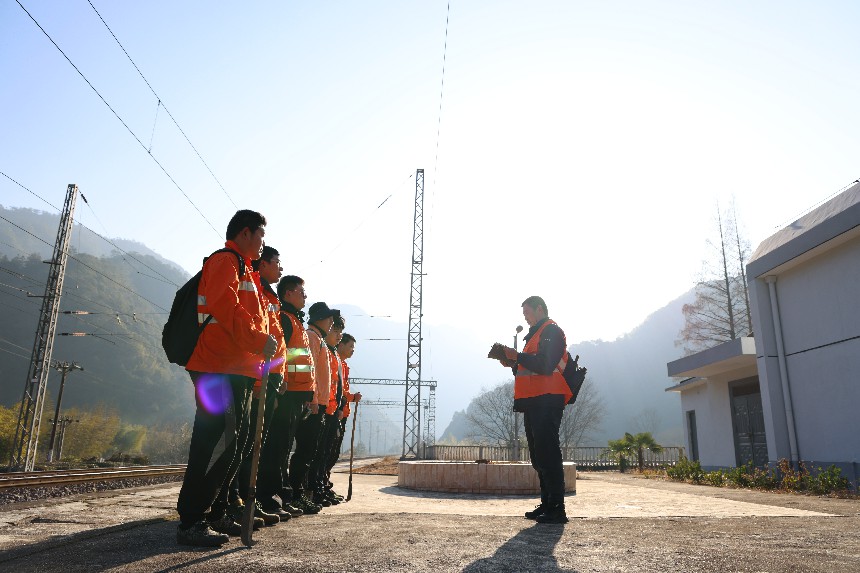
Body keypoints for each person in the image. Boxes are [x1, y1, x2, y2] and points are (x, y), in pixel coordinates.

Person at [176, 209, 277, 547]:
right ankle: (192, 519)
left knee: (234, 443)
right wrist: (257, 341)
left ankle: (215, 510)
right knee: (216, 442)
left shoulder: (245, 268)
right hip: (218, 367)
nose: (263, 244)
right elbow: (227, 308)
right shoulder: (225, 261)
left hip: (237, 369)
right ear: (246, 233)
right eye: (261, 235)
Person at [494, 295, 572, 524]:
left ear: (539, 309)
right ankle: (547, 503)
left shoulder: (552, 331)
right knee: (539, 456)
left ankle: (557, 507)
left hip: (548, 399)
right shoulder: (535, 335)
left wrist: (518, 356)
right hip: (534, 400)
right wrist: (513, 363)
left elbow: (546, 365)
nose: (526, 318)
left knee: (548, 452)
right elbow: (530, 367)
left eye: (527, 313)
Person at [256, 274, 314, 518]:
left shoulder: (295, 321)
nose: (305, 296)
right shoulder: (285, 319)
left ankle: (279, 496)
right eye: (302, 291)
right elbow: (283, 357)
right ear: (288, 293)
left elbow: (300, 361)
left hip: (297, 393)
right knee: (276, 448)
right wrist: (282, 387)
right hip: (287, 393)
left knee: (282, 450)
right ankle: (269, 498)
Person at [287, 301, 336, 513]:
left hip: (321, 403)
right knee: (305, 452)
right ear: (319, 319)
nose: (331, 323)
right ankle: (297, 493)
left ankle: (301, 493)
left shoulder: (319, 340)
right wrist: (313, 400)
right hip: (313, 403)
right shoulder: (312, 338)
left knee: (311, 452)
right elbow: (309, 371)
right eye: (329, 319)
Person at [327, 332, 361, 498]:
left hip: (342, 411)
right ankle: (320, 485)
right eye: (350, 346)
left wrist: (351, 398)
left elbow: (342, 391)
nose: (352, 350)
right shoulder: (335, 361)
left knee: (333, 452)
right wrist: (352, 398)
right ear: (341, 345)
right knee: (328, 451)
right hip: (335, 410)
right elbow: (338, 390)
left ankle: (325, 484)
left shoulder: (344, 365)